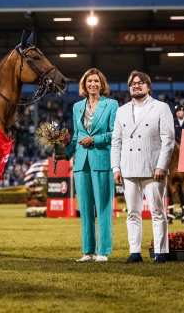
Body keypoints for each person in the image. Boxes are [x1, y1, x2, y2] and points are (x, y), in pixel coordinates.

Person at [111, 70, 175, 263]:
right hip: (128, 169)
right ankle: (134, 252)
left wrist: (162, 166)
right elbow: (116, 142)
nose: (136, 86)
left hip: (153, 169)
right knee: (132, 212)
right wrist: (116, 168)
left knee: (157, 211)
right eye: (133, 83)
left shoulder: (161, 107)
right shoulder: (121, 111)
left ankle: (161, 252)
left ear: (148, 86)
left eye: (140, 83)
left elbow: (169, 140)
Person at [64, 68, 118, 262]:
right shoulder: (77, 106)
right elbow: (77, 136)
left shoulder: (111, 105)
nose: (92, 84)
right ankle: (88, 251)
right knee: (85, 208)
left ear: (101, 84)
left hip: (102, 160)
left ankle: (103, 251)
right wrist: (63, 151)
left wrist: (94, 140)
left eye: (96, 81)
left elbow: (115, 134)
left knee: (103, 208)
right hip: (81, 163)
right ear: (84, 85)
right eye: (89, 82)